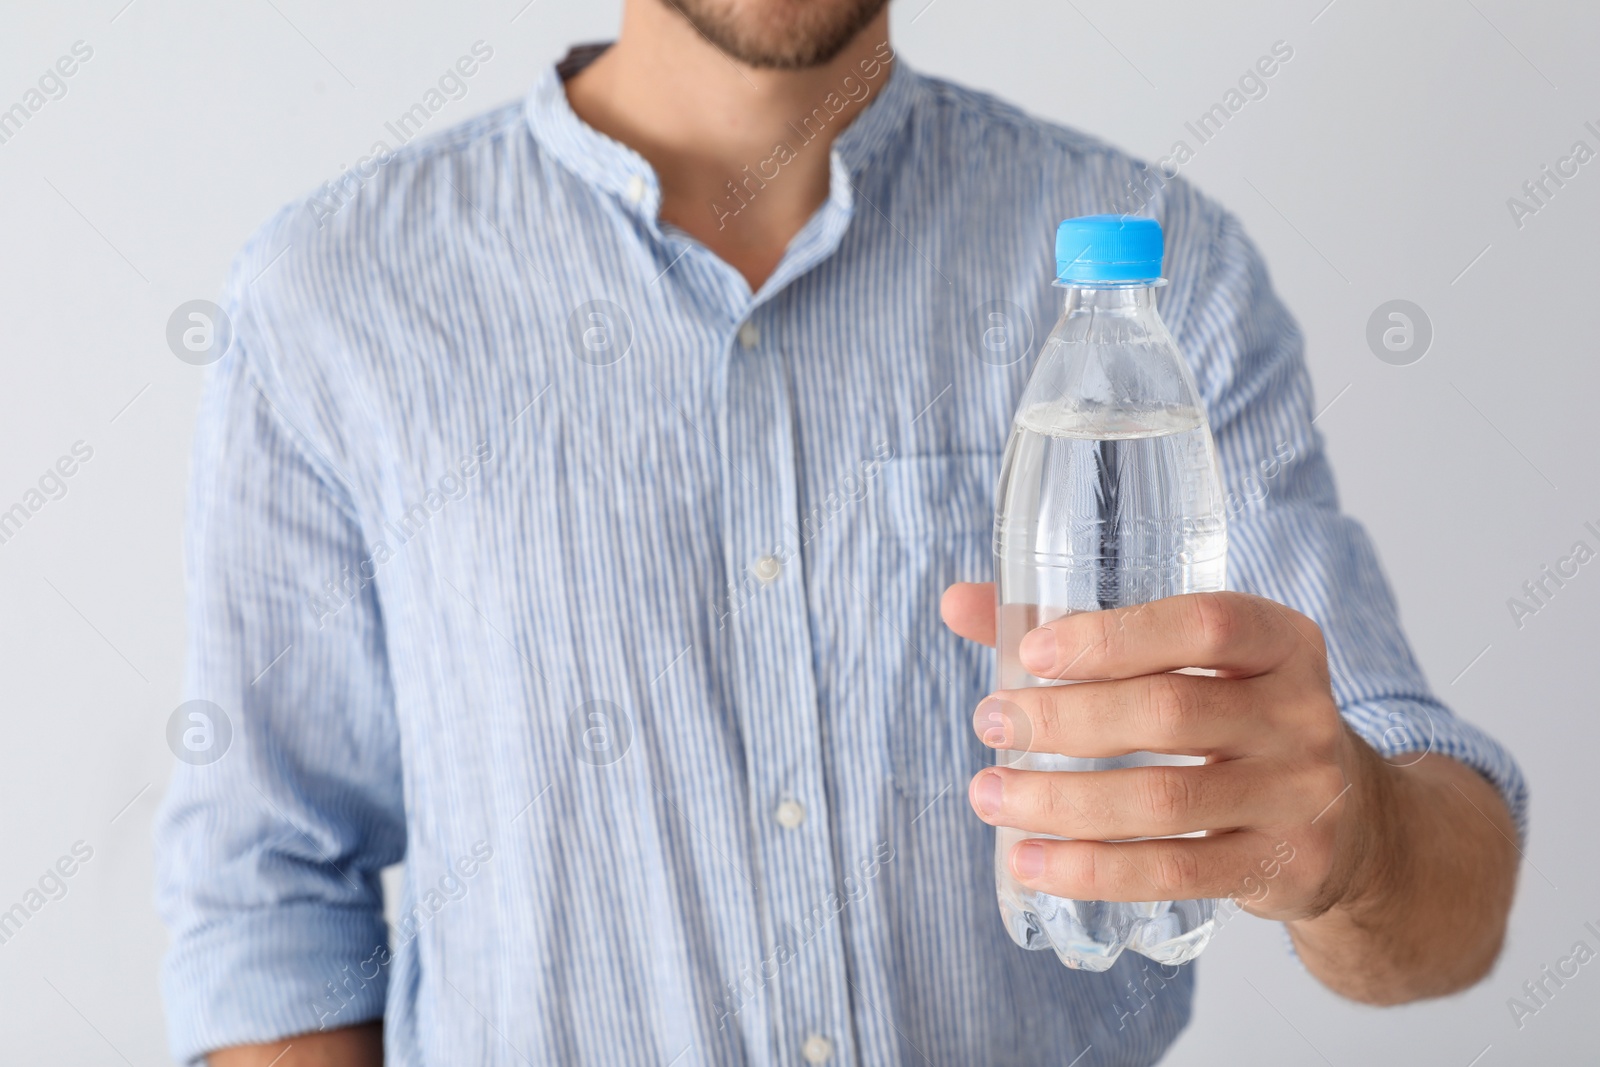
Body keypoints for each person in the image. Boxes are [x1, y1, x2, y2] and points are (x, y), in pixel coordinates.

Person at [154, 1, 1526, 1064]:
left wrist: (1353, 837)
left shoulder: (1159, 270)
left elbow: (1445, 908)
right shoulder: (331, 296)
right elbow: (268, 892)